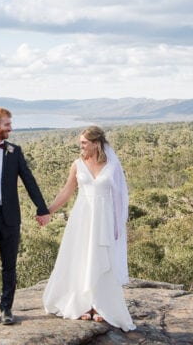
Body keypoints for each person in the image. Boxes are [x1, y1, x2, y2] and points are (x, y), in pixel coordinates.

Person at [42, 126, 135, 331]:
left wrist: (119, 224)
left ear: (96, 143)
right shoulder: (77, 165)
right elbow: (67, 191)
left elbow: (121, 196)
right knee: (82, 258)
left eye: (84, 142)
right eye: (81, 142)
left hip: (104, 219)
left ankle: (100, 305)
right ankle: (82, 303)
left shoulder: (112, 164)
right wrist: (48, 211)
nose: (81, 146)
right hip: (82, 217)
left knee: (103, 259)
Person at [0, 108, 51, 327]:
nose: (10, 128)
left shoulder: (15, 151)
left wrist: (42, 209)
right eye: (7, 125)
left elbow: (29, 181)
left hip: (11, 217)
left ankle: (7, 308)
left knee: (9, 266)